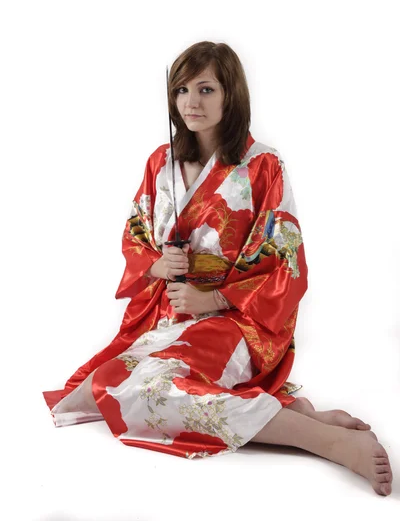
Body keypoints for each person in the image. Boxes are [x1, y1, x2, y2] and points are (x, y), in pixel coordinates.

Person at [43, 41, 392, 496]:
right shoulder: (160, 163)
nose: (191, 102)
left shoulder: (263, 166)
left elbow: (287, 261)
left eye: (206, 89)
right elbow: (136, 237)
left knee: (141, 391)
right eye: (182, 89)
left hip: (237, 322)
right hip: (167, 318)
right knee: (96, 389)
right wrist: (158, 264)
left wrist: (216, 297)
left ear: (231, 94)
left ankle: (326, 441)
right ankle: (291, 412)